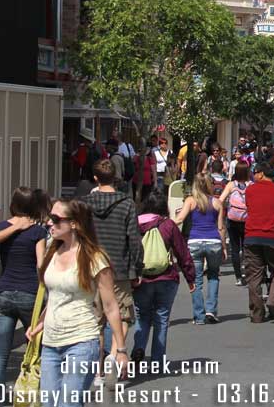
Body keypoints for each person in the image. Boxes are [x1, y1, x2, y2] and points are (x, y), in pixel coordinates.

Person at [30, 200, 127, 406]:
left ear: (74, 223)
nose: (49, 223)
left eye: (56, 219)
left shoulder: (94, 258)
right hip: (50, 343)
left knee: (68, 403)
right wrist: (38, 324)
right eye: (50, 217)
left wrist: (121, 349)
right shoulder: (51, 250)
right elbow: (56, 295)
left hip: (82, 341)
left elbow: (110, 306)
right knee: (49, 403)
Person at [0, 189, 48, 407]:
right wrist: (45, 288)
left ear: (13, 203)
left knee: (0, 354)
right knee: (36, 350)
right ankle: (32, 398)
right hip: (30, 295)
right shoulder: (38, 232)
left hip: (4, 294)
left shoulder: (0, 228)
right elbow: (41, 264)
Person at [78, 159, 142, 373]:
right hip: (119, 268)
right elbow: (134, 238)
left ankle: (97, 367)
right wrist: (137, 267)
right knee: (123, 314)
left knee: (95, 319)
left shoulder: (84, 204)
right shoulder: (126, 204)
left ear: (95, 178)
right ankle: (115, 356)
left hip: (90, 267)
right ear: (115, 177)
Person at [132, 190, 196, 368]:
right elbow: (182, 253)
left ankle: (138, 347)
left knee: (142, 316)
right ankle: (158, 360)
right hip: (166, 277)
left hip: (142, 278)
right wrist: (190, 278)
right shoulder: (168, 225)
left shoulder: (136, 224)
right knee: (161, 317)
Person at [243, 162, 274, 323]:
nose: (253, 176)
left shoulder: (250, 190)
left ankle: (257, 314)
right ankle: (273, 300)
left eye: (254, 173)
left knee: (254, 276)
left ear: (261, 174)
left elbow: (250, 208)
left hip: (252, 237)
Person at [173, 172, 226, 324]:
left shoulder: (190, 201)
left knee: (195, 279)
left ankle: (199, 315)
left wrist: (166, 224)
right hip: (213, 241)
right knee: (214, 276)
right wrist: (223, 247)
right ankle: (211, 310)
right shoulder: (217, 203)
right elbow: (221, 227)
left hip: (195, 241)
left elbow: (180, 218)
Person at [219, 160, 251, 286]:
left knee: (234, 247)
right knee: (246, 248)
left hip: (232, 219)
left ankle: (238, 276)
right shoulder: (251, 185)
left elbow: (221, 199)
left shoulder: (231, 185)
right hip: (247, 220)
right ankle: (247, 273)